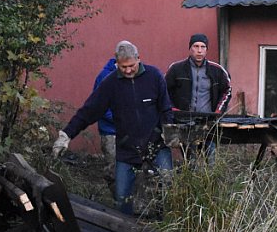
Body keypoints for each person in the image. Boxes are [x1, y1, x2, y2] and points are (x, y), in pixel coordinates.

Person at [52, 41, 173, 214]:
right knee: (122, 196)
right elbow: (89, 111)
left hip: (157, 144)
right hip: (127, 148)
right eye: (123, 67)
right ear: (116, 63)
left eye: (131, 66)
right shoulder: (110, 84)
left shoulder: (154, 76)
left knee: (168, 187)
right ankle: (123, 227)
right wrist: (66, 135)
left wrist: (168, 132)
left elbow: (166, 108)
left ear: (138, 59)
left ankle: (165, 223)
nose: (128, 70)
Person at [165, 33, 232, 160]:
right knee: (190, 161)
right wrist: (173, 110)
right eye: (196, 46)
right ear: (190, 48)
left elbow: (227, 91)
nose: (199, 51)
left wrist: (218, 112)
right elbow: (164, 92)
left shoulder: (217, 70)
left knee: (211, 160)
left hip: (209, 122)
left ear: (207, 49)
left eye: (203, 47)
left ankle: (209, 174)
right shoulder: (176, 69)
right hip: (184, 122)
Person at [93, 56, 117, 185]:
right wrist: (119, 119)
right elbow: (100, 106)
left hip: (128, 131)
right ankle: (116, 195)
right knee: (112, 168)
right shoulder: (105, 76)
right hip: (110, 131)